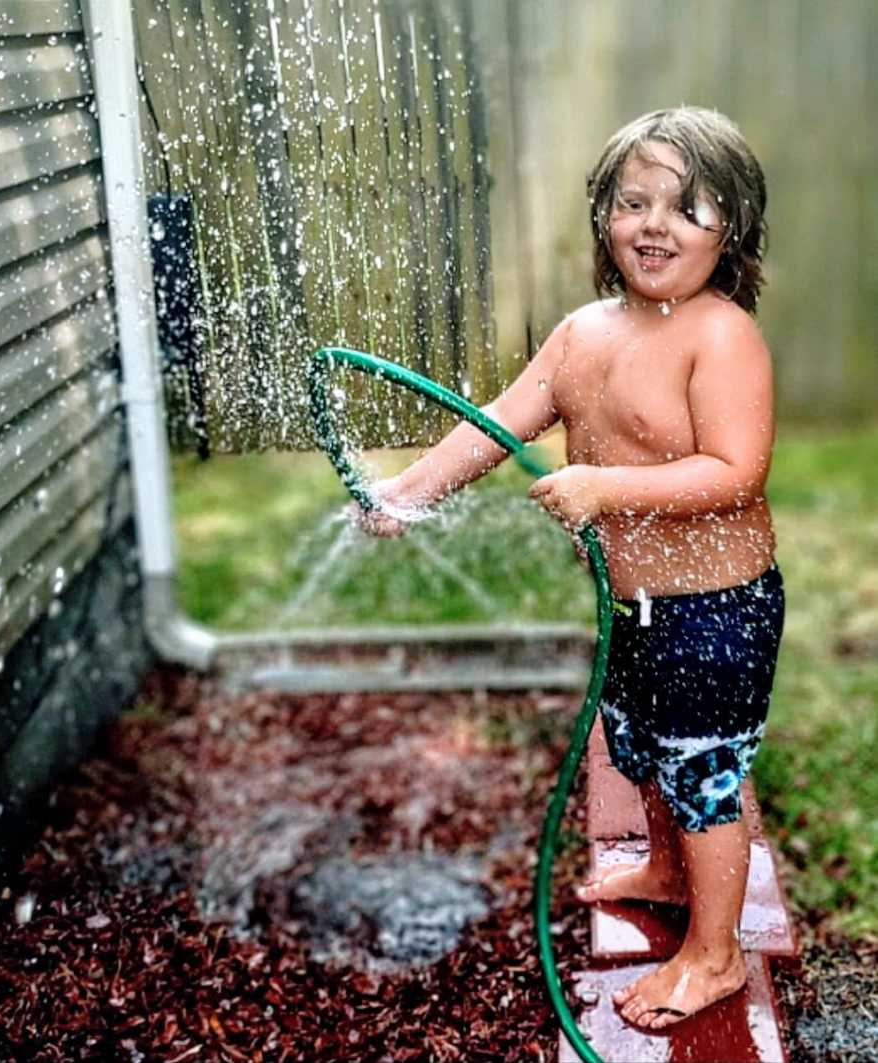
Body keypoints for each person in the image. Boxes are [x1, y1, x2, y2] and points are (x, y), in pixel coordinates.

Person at [354, 106, 785, 1029]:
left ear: (733, 227)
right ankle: (666, 871)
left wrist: (604, 487)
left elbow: (734, 471)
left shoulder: (721, 336)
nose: (655, 224)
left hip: (716, 611)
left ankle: (712, 955)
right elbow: (499, 425)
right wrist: (413, 491)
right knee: (642, 749)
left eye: (689, 206)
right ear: (603, 217)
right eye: (634, 202)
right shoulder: (583, 332)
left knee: (702, 773)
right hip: (630, 605)